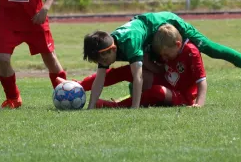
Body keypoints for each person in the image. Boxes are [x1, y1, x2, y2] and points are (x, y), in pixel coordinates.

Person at [82, 11, 241, 109]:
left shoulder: (129, 43)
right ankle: (77, 86)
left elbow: (138, 77)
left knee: (210, 48)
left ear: (112, 50)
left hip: (169, 26)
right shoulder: (106, 48)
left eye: (101, 59)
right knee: (137, 71)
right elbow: (101, 76)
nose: (102, 62)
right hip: (151, 38)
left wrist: (134, 110)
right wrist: (89, 106)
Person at [69, 23, 207, 109]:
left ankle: (115, 105)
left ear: (177, 44)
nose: (163, 58)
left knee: (157, 91)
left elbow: (202, 81)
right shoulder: (169, 49)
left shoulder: (191, 52)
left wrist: (198, 105)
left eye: (165, 55)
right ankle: (77, 86)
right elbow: (161, 69)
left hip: (182, 95)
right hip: (166, 81)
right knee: (126, 71)